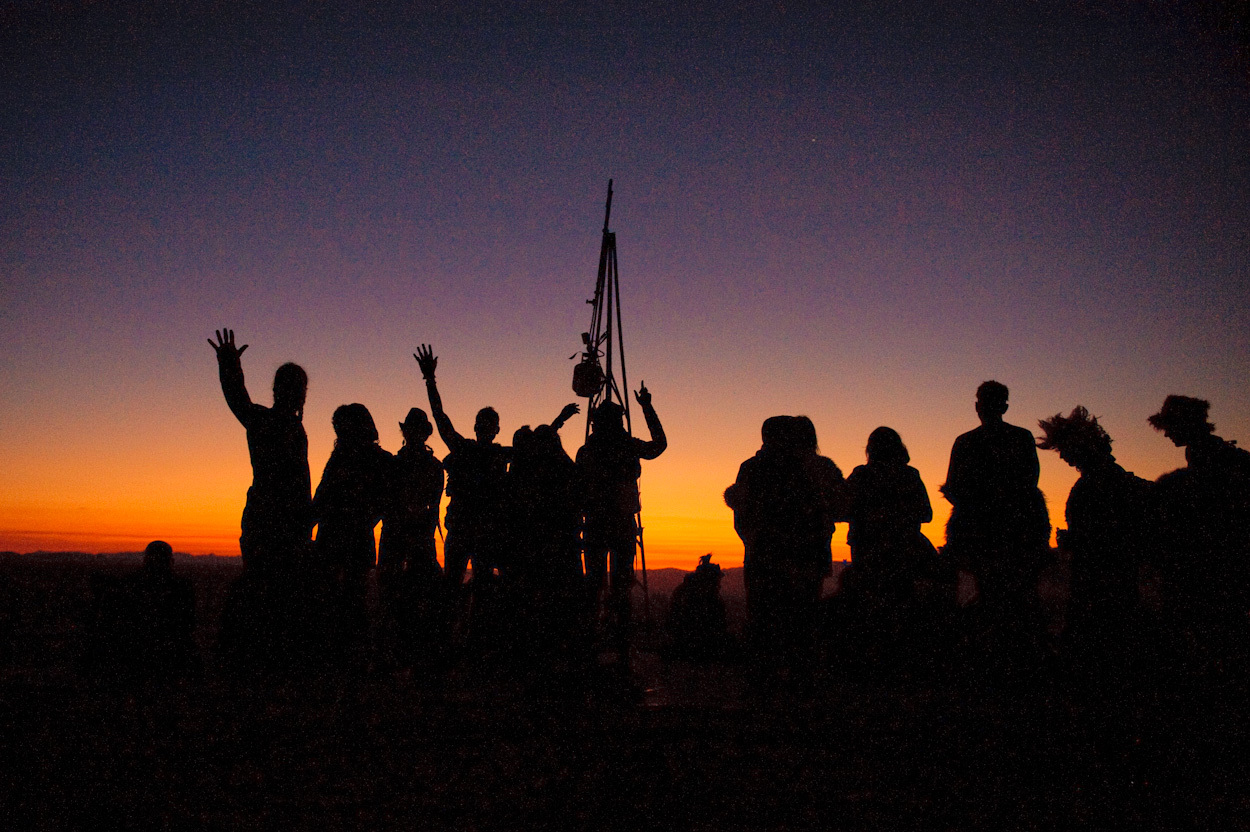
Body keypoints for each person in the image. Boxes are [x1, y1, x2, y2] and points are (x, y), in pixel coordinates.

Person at [414, 345, 578, 589]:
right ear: (490, 429)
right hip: (470, 530)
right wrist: (429, 380)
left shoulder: (478, 451)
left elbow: (534, 445)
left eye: (487, 424)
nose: (485, 428)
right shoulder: (486, 453)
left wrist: (430, 379)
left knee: (466, 585)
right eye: (485, 424)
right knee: (464, 584)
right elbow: (440, 417)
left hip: (478, 532)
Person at [726, 416, 842, 688]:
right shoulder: (816, 468)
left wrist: (755, 543)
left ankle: (763, 682)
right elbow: (836, 508)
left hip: (763, 557)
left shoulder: (752, 468)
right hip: (806, 557)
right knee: (803, 620)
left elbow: (742, 518)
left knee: (764, 619)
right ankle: (801, 682)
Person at [1037, 407, 1152, 675]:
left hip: (1099, 581)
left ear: (1080, 446)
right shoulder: (1121, 482)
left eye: (1064, 448)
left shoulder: (1097, 485)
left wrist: (1073, 541)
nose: (1063, 456)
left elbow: (1104, 536)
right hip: (1115, 578)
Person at [1148, 395, 1250, 665]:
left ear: (1186, 424)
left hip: (1216, 570)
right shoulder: (1214, 453)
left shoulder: (1213, 458)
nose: (1167, 433)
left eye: (1170, 425)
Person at [942, 382, 1050, 619]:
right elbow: (1030, 481)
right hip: (1016, 530)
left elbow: (954, 488)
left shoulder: (966, 442)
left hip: (987, 532)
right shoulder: (1020, 437)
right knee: (1016, 596)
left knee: (994, 595)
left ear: (977, 407)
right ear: (1005, 407)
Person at [209, 329, 312, 573]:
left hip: (278, 525)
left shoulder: (284, 425)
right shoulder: (265, 421)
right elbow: (238, 399)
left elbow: (238, 400)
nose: (300, 394)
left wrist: (229, 365)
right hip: (272, 525)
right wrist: (229, 365)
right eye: (298, 388)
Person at [577, 385, 667, 664]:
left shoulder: (587, 451)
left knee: (595, 584)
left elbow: (578, 487)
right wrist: (647, 408)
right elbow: (659, 445)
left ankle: (594, 642)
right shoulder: (625, 445)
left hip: (595, 523)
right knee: (619, 586)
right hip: (619, 523)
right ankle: (621, 646)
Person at [313, 403, 393, 651]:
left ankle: (351, 651)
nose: (339, 433)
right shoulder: (340, 458)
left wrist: (364, 520)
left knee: (353, 598)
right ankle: (338, 649)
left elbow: (383, 502)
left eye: (342, 427)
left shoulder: (378, 460)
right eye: (337, 428)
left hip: (354, 539)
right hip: (333, 537)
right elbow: (323, 495)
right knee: (332, 597)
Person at [378, 407, 446, 669]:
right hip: (407, 537)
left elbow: (430, 505)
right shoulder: (428, 466)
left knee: (409, 596)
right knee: (400, 595)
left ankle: (405, 653)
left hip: (409, 537)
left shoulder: (401, 465)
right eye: (413, 430)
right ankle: (405, 653)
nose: (415, 435)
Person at [846, 427, 935, 611]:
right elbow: (926, 514)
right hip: (902, 549)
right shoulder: (909, 475)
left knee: (869, 603)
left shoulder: (861, 475)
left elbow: (842, 509)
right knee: (901, 602)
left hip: (867, 549)